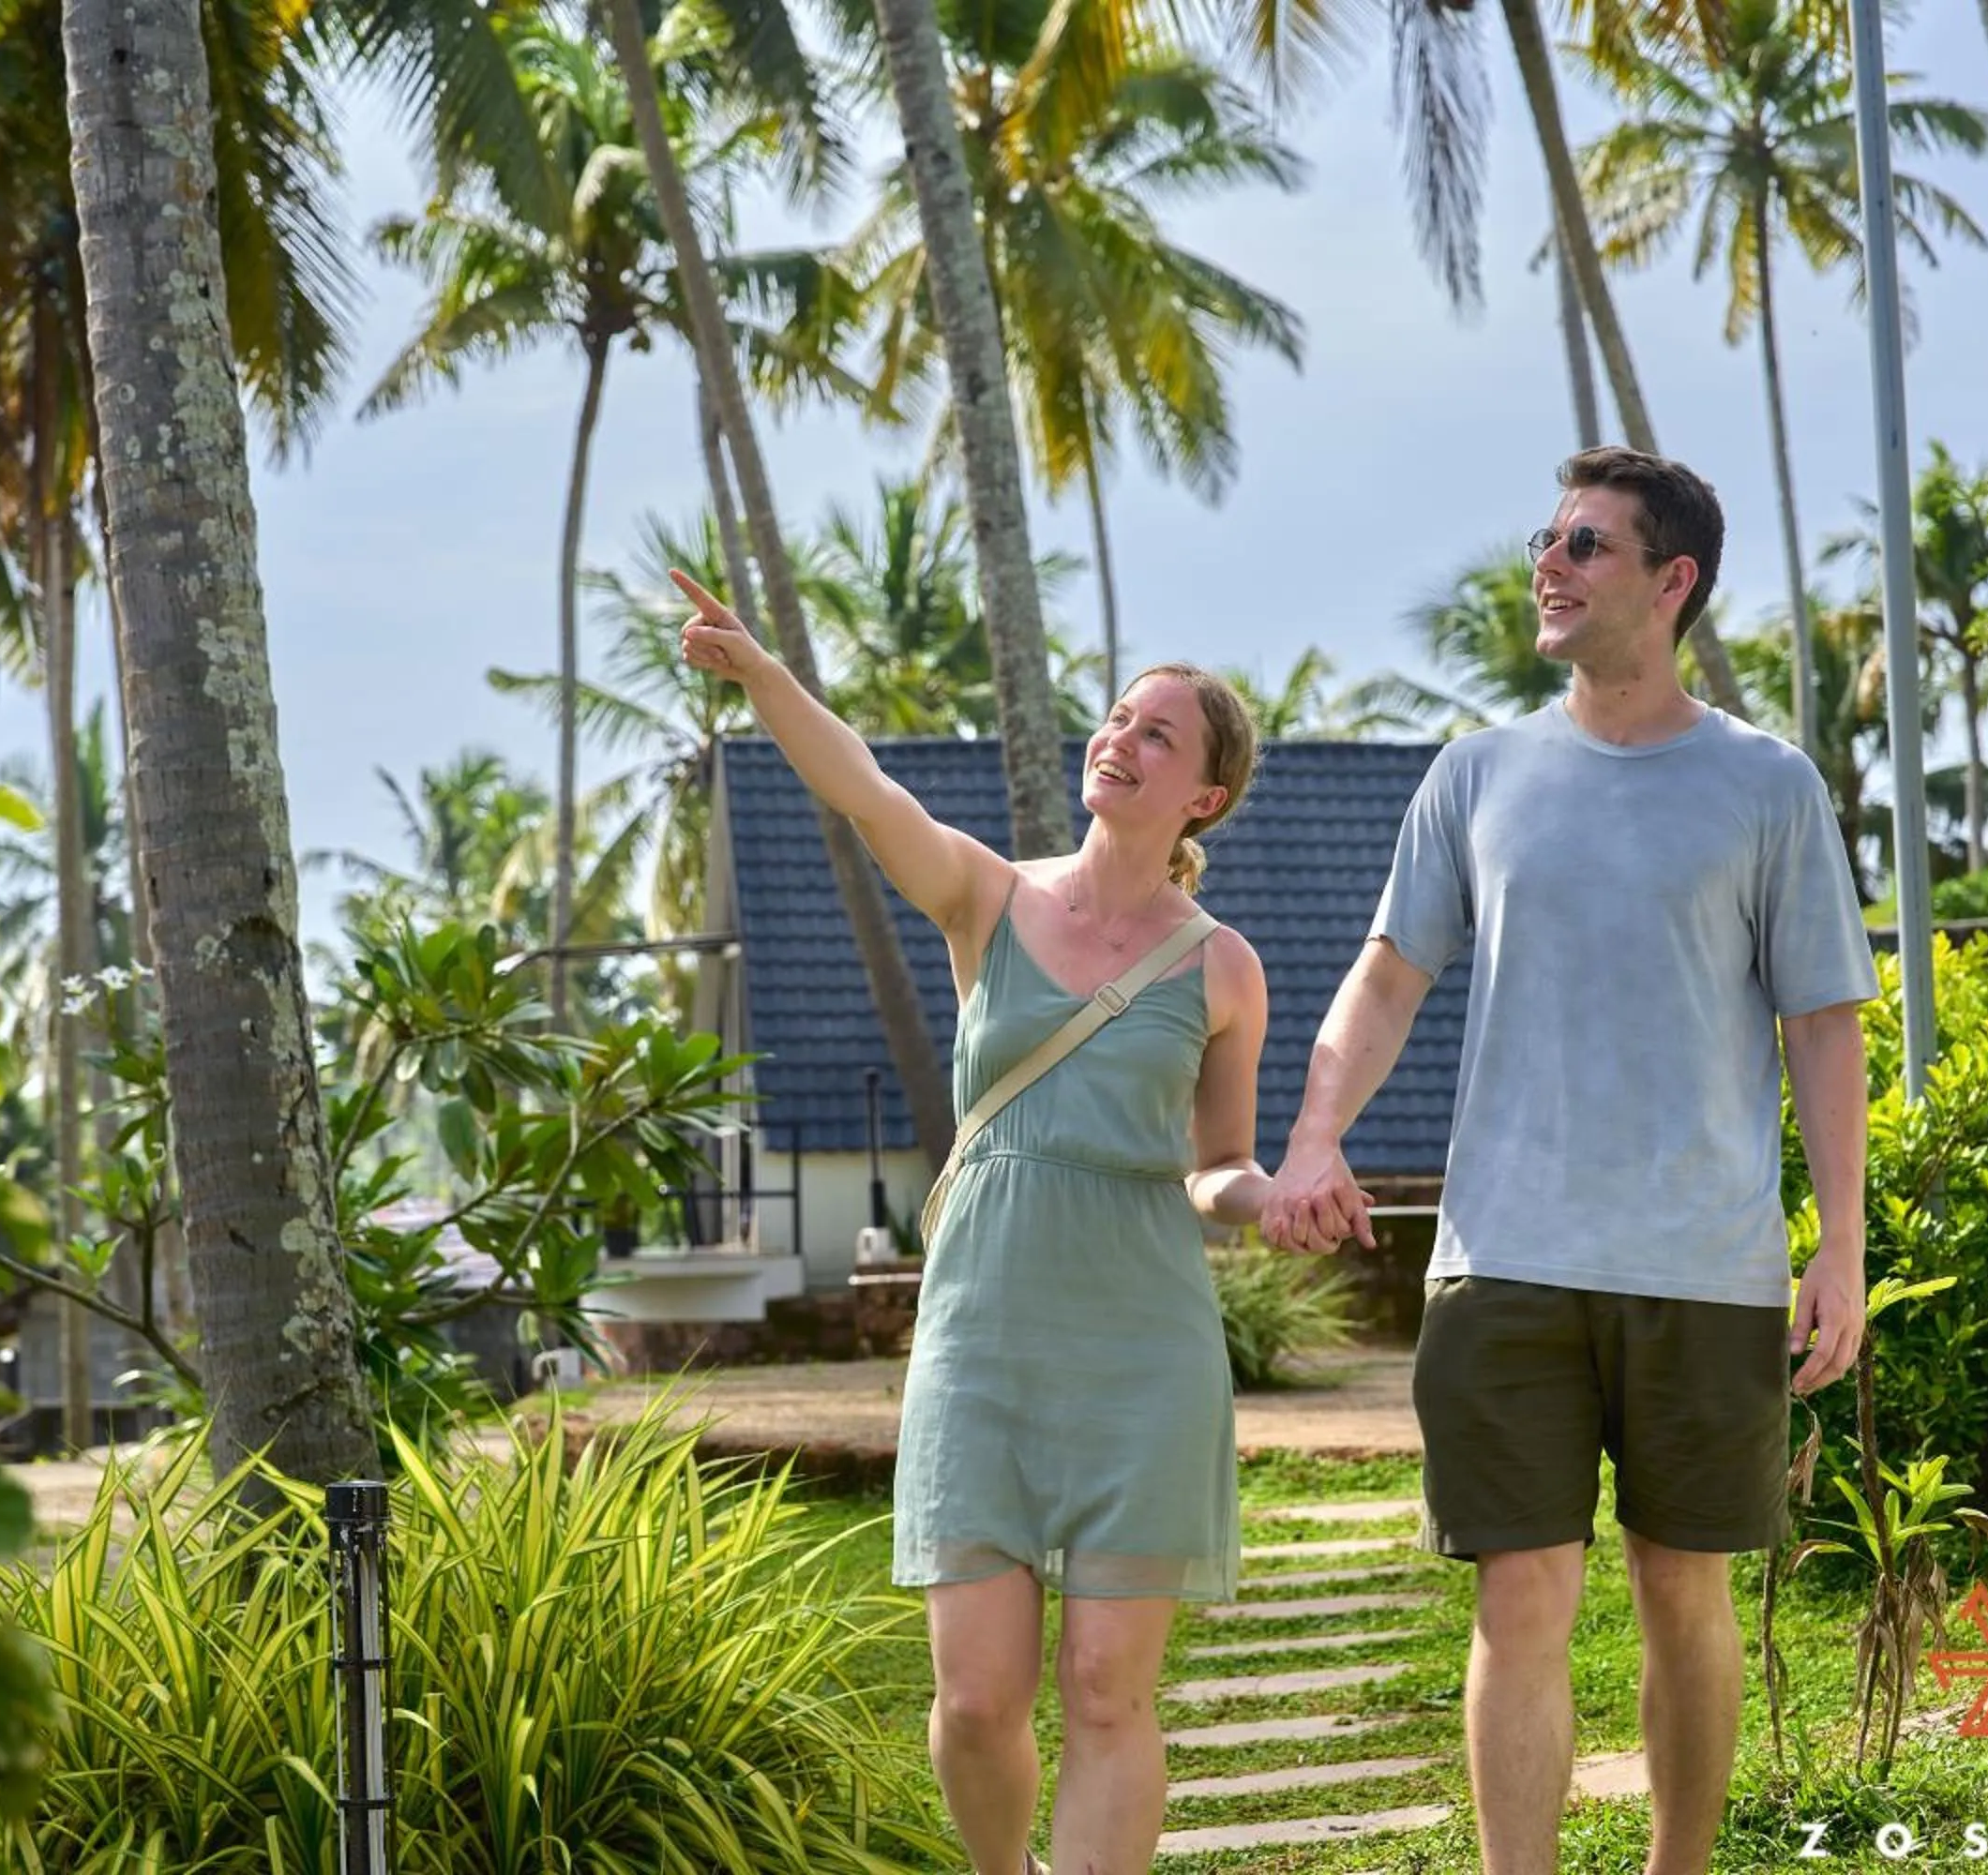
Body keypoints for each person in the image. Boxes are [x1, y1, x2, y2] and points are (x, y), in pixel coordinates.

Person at [1258, 448, 1877, 1875]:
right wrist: (1314, 1129)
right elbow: (1387, 976)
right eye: (1548, 538)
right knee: (1519, 1604)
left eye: (1586, 545)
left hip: (1704, 1264)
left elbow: (1824, 1027)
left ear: (1672, 583)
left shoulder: (1766, 786)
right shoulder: (1476, 776)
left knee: (1685, 1598)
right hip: (1504, 1264)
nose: (1550, 563)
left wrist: (1838, 1246)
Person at [673, 568, 1274, 1875]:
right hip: (983, 1341)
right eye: (1117, 718)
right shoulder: (989, 901)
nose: (1119, 740)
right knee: (979, 1701)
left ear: (1204, 796)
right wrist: (763, 675)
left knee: (1111, 1691)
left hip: (1144, 1354)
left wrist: (1267, 1198)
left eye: (1157, 734)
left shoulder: (1223, 966)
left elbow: (1216, 1165)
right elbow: (868, 793)